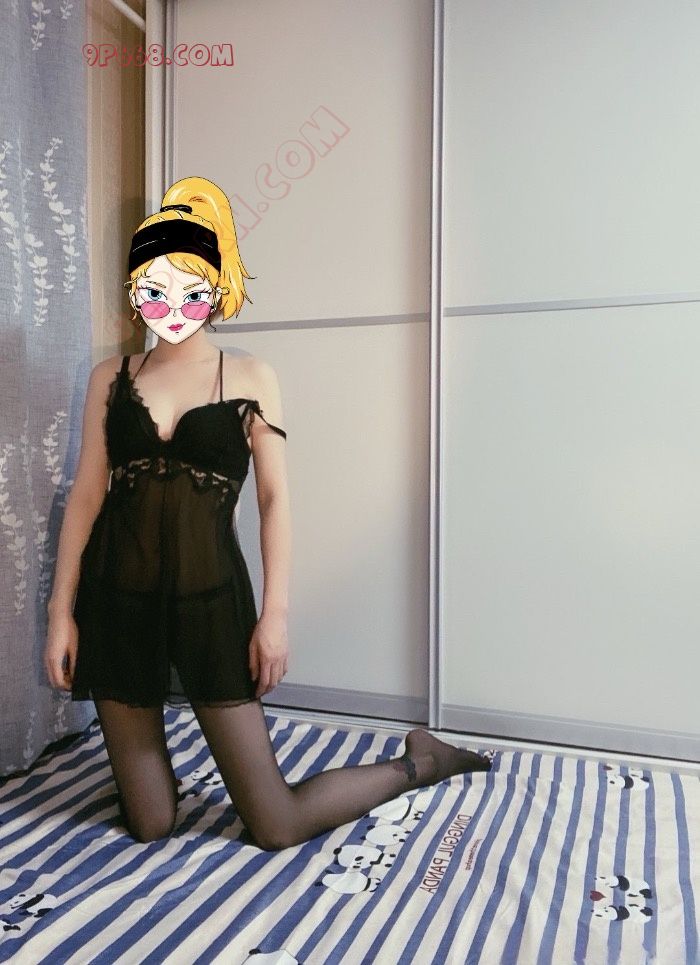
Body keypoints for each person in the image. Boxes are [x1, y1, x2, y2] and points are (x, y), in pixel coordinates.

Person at [44, 175, 492, 851]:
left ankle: (421, 760)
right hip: (117, 605)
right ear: (135, 290)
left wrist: (274, 614)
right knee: (151, 823)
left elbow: (274, 499)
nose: (172, 307)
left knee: (276, 824)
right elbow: (86, 495)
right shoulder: (111, 377)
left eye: (191, 289)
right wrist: (62, 614)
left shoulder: (251, 376)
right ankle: (158, 777)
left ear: (217, 289)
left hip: (209, 604)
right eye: (155, 289)